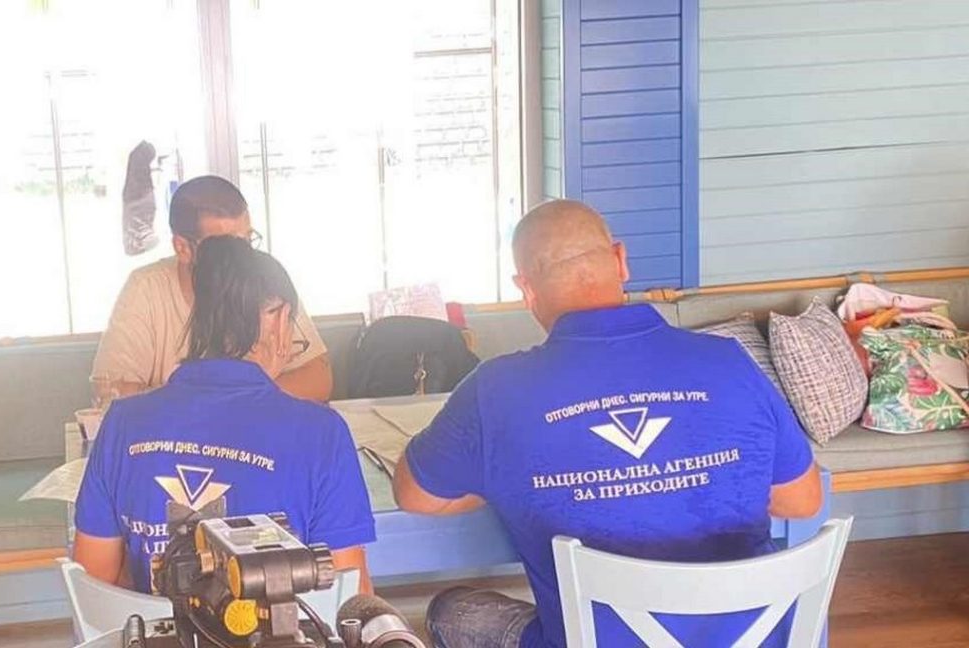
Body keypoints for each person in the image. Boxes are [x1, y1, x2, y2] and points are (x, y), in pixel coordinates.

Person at [393, 200, 823, 648]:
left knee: (451, 610)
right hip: (758, 639)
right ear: (620, 260)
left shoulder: (495, 392)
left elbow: (416, 495)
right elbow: (803, 501)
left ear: (526, 289)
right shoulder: (729, 362)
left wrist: (502, 477)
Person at [75, 236, 376, 594]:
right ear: (280, 319)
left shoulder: (123, 423)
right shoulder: (322, 433)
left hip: (152, 626)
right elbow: (349, 597)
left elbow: (92, 586)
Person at [92, 175, 333, 402]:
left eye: (247, 241)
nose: (243, 258)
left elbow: (318, 377)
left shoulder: (266, 282)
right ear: (183, 248)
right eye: (226, 248)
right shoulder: (145, 289)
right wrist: (234, 399)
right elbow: (113, 394)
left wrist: (234, 401)